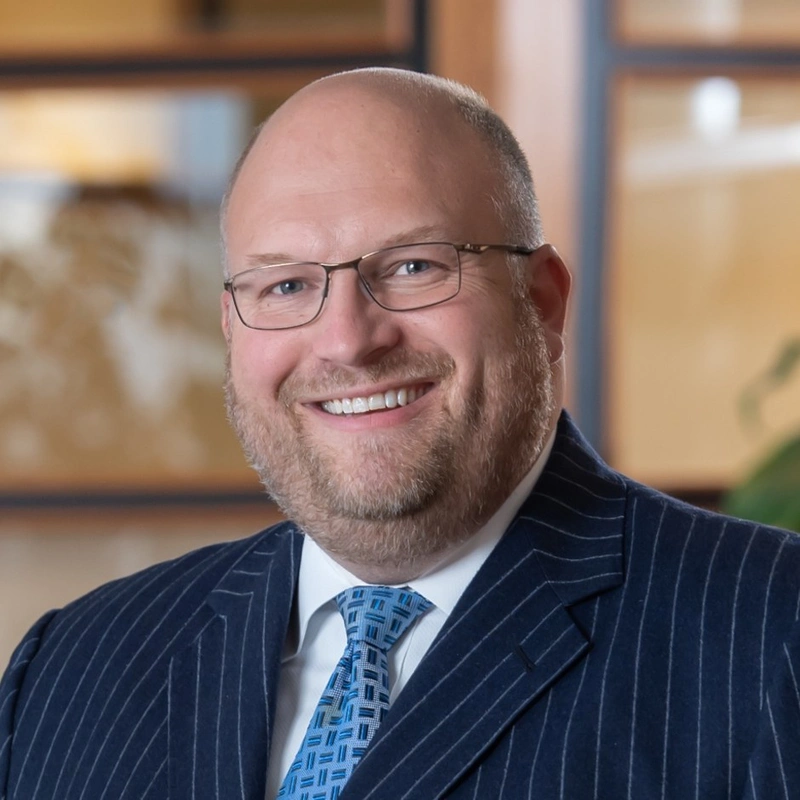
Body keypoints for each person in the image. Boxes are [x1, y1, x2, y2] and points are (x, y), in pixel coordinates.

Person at [1, 67, 799, 800]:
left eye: (415, 266)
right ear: (230, 328)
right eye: (286, 285)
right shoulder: (70, 670)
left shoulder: (770, 638)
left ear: (543, 302)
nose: (348, 341)